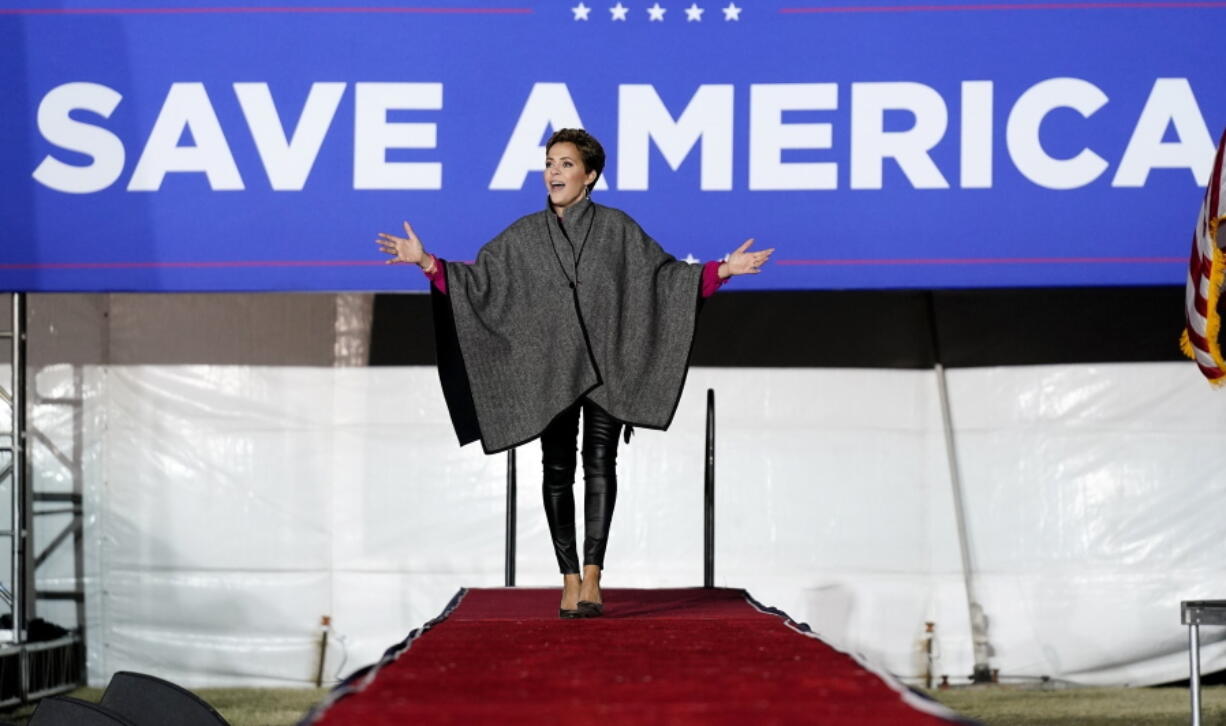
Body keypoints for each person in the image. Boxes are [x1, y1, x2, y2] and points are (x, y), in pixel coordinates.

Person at [376, 129, 772, 618]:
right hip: (551, 369)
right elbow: (479, 283)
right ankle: (566, 576)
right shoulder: (523, 236)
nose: (554, 172)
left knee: (600, 463)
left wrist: (722, 271)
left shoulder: (618, 229)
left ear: (590, 176)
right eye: (549, 163)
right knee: (557, 470)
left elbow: (664, 281)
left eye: (566, 163)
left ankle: (592, 576)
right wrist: (429, 264)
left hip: (609, 365)